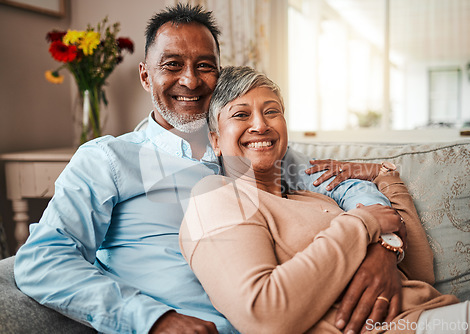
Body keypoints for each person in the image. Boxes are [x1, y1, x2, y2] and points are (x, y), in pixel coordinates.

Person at [15, 4, 402, 334]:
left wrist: (383, 247)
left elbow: (344, 185)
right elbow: (43, 260)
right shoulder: (109, 160)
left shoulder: (249, 143)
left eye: (205, 66)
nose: (190, 80)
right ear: (146, 75)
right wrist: (154, 319)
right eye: (172, 65)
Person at [179, 66, 470, 334]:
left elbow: (419, 273)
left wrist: (383, 178)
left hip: (431, 315)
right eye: (241, 114)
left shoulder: (317, 193)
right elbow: (264, 315)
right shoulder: (214, 195)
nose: (261, 124)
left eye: (272, 111)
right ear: (216, 140)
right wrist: (364, 224)